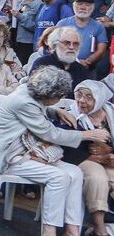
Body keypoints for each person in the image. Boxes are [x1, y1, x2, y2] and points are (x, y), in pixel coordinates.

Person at [0, 66, 109, 236]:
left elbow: (39, 107)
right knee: (58, 177)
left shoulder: (30, 90)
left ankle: (72, 230)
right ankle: (49, 231)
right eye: (58, 96)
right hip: (7, 155)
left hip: (28, 149)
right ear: (48, 94)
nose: (61, 98)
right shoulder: (23, 101)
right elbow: (50, 133)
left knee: (75, 173)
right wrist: (87, 134)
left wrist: (56, 111)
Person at [56, 79, 114, 235]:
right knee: (97, 177)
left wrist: (109, 153)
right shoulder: (69, 115)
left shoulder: (111, 113)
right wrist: (97, 158)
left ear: (100, 98)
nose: (81, 100)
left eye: (89, 97)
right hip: (82, 159)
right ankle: (99, 229)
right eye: (79, 95)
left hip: (109, 159)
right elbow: (63, 149)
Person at [55, 0, 109, 77]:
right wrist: (76, 62)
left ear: (92, 8)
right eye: (80, 4)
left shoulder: (99, 27)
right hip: (64, 67)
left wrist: (88, 61)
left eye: (87, 5)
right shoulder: (62, 23)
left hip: (88, 69)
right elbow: (54, 45)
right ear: (73, 6)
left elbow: (102, 50)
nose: (83, 8)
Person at [31, 26, 93, 97]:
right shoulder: (42, 63)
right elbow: (34, 92)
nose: (71, 47)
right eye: (67, 43)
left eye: (75, 44)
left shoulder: (81, 69)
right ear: (55, 44)